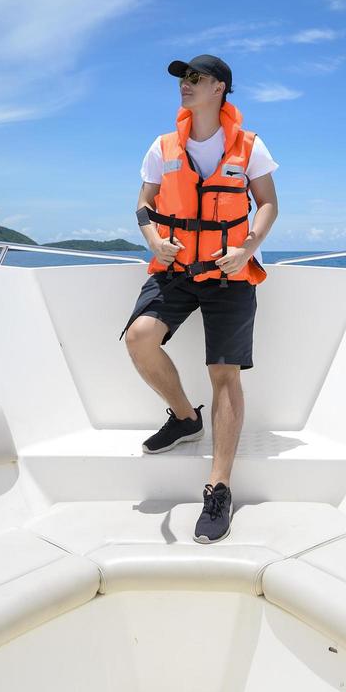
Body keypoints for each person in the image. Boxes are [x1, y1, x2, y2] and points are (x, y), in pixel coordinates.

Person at [119, 53, 279, 543]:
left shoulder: (250, 147)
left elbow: (268, 202)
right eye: (182, 79)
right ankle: (186, 419)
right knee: (140, 338)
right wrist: (153, 239)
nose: (185, 85)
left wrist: (248, 246)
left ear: (220, 89)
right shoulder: (163, 146)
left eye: (195, 78)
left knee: (223, 372)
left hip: (230, 271)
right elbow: (144, 204)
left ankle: (218, 487)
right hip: (177, 267)